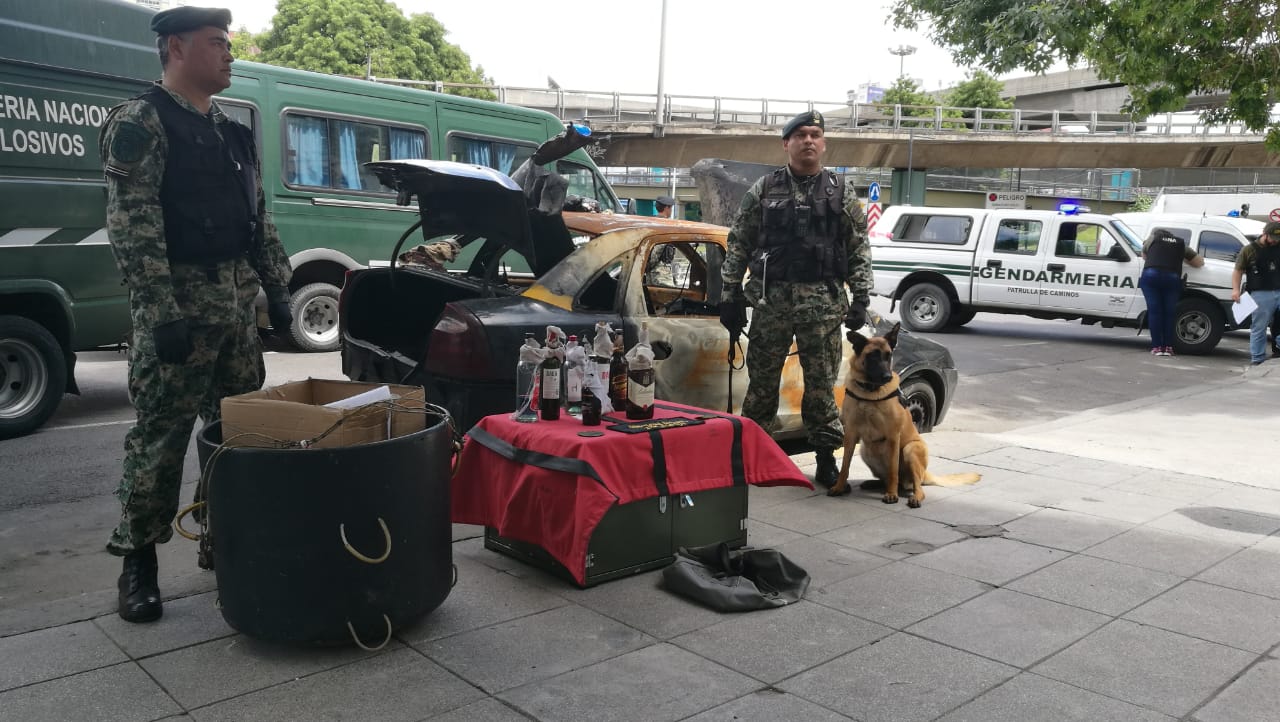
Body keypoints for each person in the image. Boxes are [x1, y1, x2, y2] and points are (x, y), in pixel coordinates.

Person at [100, 6, 293, 623]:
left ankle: (224, 543)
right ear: (176, 48)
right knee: (161, 438)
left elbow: (257, 220)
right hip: (179, 308)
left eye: (230, 43)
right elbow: (134, 228)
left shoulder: (232, 131)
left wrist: (279, 289)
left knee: (238, 433)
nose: (230, 54)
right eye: (217, 44)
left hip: (235, 310)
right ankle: (137, 563)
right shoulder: (141, 123)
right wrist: (161, 314)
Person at [718, 110, 872, 488]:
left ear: (823, 143)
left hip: (822, 306)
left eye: (815, 134)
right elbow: (739, 242)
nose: (808, 141)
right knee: (761, 387)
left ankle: (824, 460)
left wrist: (862, 295)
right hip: (772, 304)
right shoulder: (765, 189)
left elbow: (858, 245)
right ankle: (756, 459)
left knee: (820, 387)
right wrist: (730, 293)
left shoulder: (840, 190)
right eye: (800, 134)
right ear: (786, 143)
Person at [1139, 228, 1203, 357]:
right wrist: (1180, 258)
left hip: (1151, 276)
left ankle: (1157, 347)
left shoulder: (1152, 239)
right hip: (1172, 278)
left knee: (1155, 312)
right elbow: (1199, 263)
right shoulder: (1180, 243)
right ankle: (1168, 347)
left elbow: (1145, 257)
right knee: (1169, 313)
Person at [1232, 221, 1280, 366]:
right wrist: (1235, 289)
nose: (1275, 241)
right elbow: (1238, 271)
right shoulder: (1249, 250)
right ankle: (1257, 359)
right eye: (1273, 238)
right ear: (1265, 234)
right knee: (1259, 327)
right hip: (1261, 294)